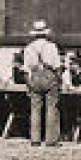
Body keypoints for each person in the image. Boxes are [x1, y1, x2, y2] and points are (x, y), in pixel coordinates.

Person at [22, 18, 63, 146]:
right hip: (49, 75)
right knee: (51, 107)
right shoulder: (52, 46)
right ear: (46, 33)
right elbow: (57, 66)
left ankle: (35, 139)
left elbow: (25, 69)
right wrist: (58, 79)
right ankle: (51, 140)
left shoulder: (28, 48)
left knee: (35, 108)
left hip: (34, 76)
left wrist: (28, 81)